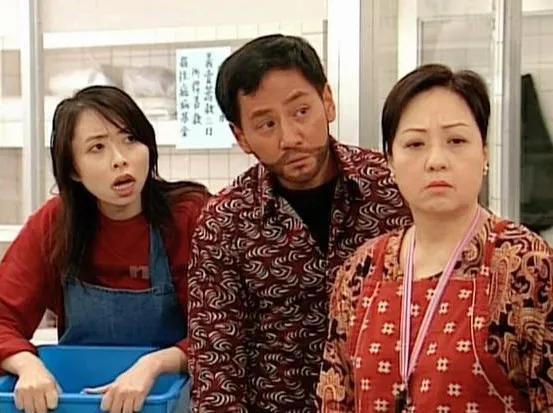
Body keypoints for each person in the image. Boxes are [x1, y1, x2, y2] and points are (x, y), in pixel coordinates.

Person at [187, 34, 411, 412]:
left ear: (328, 101)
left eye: (301, 111)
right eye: (266, 124)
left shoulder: (394, 187)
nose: (290, 137)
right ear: (241, 136)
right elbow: (216, 366)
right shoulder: (224, 222)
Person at [317, 64, 553, 412]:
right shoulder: (361, 271)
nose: (436, 161)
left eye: (456, 141)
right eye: (415, 144)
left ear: (485, 154)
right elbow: (335, 398)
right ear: (390, 161)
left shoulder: (528, 266)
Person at [0, 86, 209, 413]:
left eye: (130, 139)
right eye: (97, 147)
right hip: (81, 402)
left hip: (174, 400)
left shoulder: (189, 215)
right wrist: (27, 365)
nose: (120, 159)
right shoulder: (55, 224)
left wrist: (154, 365)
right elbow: (4, 315)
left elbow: (221, 330)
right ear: (73, 169)